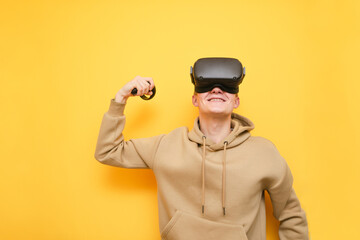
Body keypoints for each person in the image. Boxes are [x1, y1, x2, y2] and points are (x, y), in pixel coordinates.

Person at [94, 58, 309, 240]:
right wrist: (120, 99)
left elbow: (291, 214)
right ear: (195, 99)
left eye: (227, 86)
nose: (216, 89)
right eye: (206, 86)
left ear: (236, 102)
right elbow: (108, 151)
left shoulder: (264, 153)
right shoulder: (166, 146)